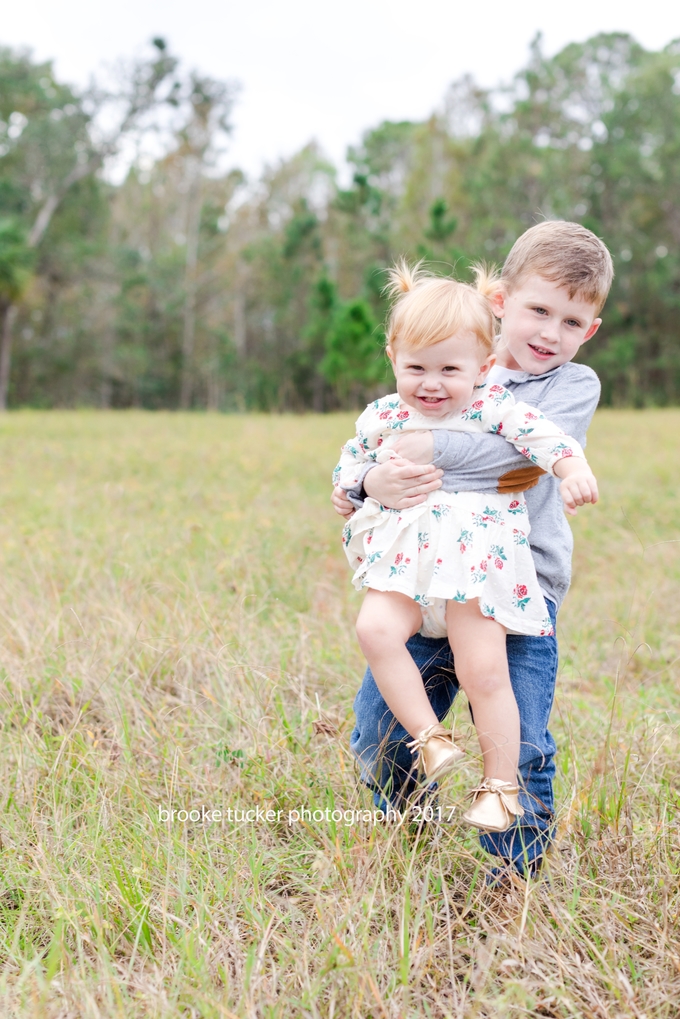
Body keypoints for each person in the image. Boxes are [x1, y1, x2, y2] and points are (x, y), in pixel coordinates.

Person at [332, 221, 613, 875]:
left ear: (589, 331)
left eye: (571, 321)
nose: (550, 333)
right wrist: (371, 478)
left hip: (515, 585)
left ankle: (509, 875)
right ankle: (415, 838)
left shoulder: (570, 387)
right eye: (538, 309)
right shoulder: (439, 361)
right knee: (380, 734)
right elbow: (364, 461)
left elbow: (507, 460)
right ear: (500, 300)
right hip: (426, 582)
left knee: (523, 741)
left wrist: (417, 446)